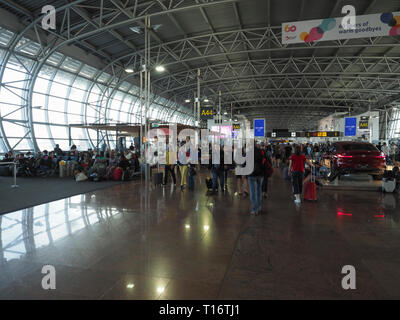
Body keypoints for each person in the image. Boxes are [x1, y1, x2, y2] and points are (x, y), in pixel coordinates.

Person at [248, 143, 266, 215]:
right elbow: (265, 162)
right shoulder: (261, 152)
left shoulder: (248, 152)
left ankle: (254, 209)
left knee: (252, 192)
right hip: (260, 174)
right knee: (258, 190)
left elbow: (243, 163)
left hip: (251, 174)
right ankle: (259, 207)